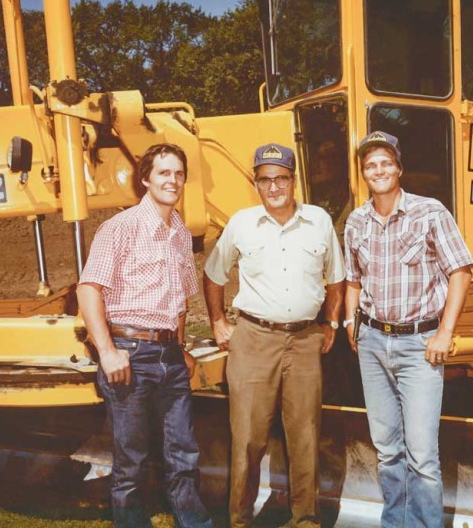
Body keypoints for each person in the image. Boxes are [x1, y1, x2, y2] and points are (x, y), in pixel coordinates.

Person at [203, 143, 345, 528]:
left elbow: (337, 279)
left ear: (293, 180)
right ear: (256, 184)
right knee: (248, 437)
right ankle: (239, 519)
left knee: (304, 434)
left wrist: (330, 323)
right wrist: (218, 321)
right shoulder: (241, 223)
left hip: (304, 341)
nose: (274, 187)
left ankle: (305, 518)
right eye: (265, 180)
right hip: (253, 339)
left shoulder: (319, 221)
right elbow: (215, 275)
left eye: (281, 178)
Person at [77, 143, 213, 528]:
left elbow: (182, 300)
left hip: (169, 356)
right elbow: (88, 289)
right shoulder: (120, 228)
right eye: (164, 173)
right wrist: (107, 351)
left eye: (179, 173)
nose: (173, 180)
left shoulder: (181, 233)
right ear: (145, 180)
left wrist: (181, 346)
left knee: (183, 453)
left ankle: (194, 523)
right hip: (129, 353)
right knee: (132, 461)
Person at [343, 131, 473, 528]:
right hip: (372, 342)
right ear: (363, 173)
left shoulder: (430, 212)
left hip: (420, 346)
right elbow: (352, 278)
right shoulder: (356, 221)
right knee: (387, 450)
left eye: (385, 162)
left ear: (398, 168)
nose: (378, 170)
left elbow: (461, 271)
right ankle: (394, 523)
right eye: (370, 165)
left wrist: (445, 333)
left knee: (422, 456)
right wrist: (351, 322)